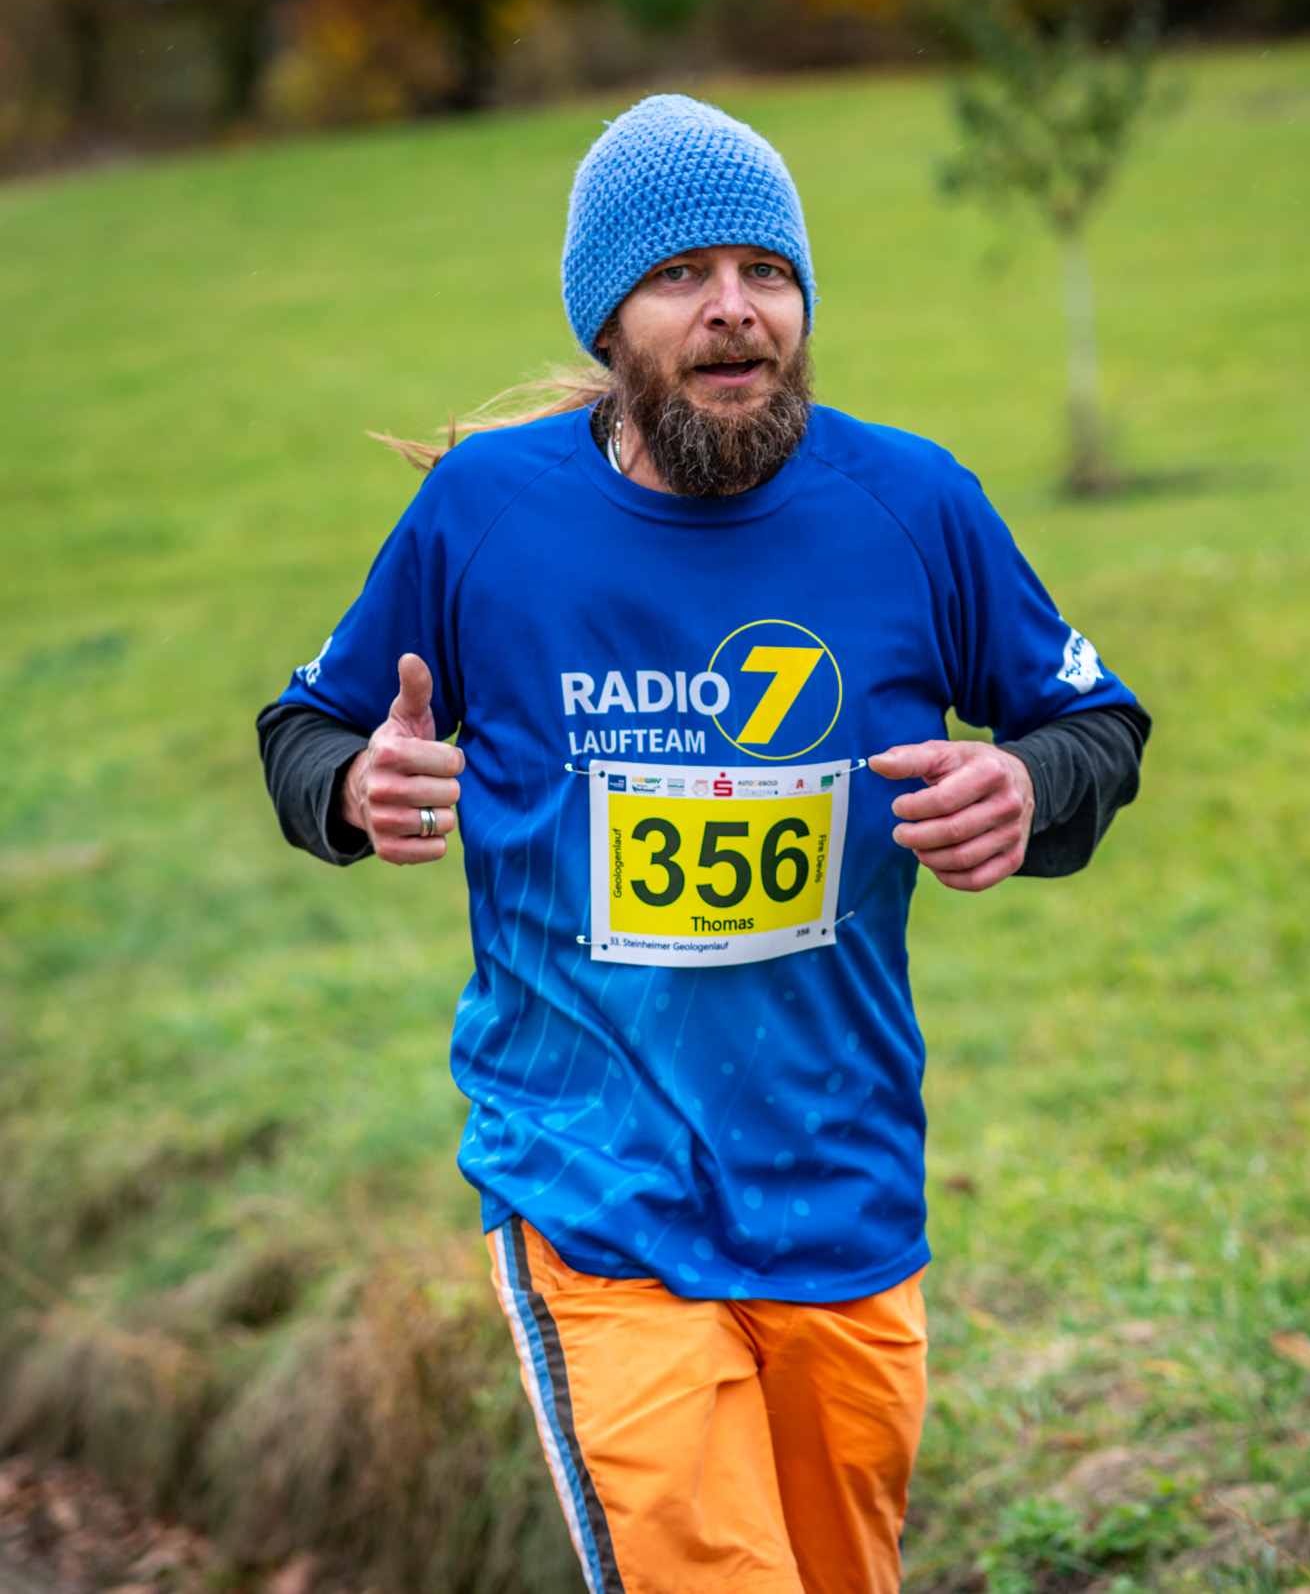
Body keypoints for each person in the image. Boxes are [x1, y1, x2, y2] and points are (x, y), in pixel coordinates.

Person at [255, 95, 1148, 1594]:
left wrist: (1030, 785)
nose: (735, 308)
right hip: (596, 1195)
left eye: (766, 272)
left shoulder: (914, 505)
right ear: (611, 322)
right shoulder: (486, 516)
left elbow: (1095, 723)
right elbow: (306, 726)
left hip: (844, 1190)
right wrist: (354, 785)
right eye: (681, 275)